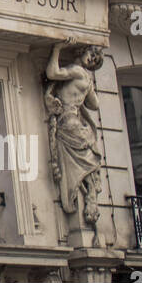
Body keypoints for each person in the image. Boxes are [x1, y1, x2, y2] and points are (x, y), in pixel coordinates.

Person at [44, 38, 104, 231]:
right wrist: (88, 88)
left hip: (68, 121)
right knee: (87, 162)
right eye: (92, 55)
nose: (92, 59)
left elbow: (52, 72)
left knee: (79, 164)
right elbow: (94, 105)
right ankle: (90, 196)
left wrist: (57, 48)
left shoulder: (77, 72)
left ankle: (86, 197)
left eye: (94, 59)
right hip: (78, 122)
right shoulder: (86, 79)